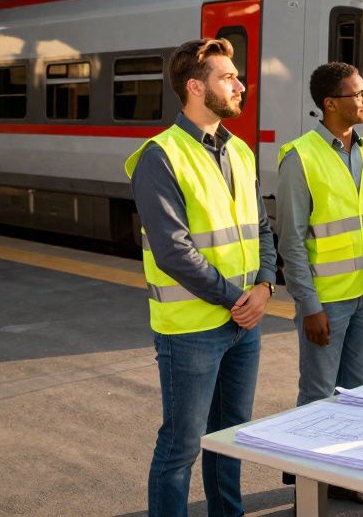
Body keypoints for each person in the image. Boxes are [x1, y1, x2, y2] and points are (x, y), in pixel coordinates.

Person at [126, 38, 276, 517]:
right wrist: (238, 298)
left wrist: (266, 285)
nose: (240, 85)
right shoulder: (159, 156)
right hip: (190, 329)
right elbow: (172, 251)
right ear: (195, 87)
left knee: (229, 439)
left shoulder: (241, 152)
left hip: (241, 324)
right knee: (181, 447)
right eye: (227, 77)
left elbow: (262, 227)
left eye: (237, 76)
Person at [276, 62, 363, 506]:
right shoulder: (300, 156)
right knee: (318, 394)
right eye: (359, 94)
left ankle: (345, 478)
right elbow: (292, 239)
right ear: (330, 103)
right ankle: (309, 493)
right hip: (326, 300)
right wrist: (308, 305)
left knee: (357, 391)